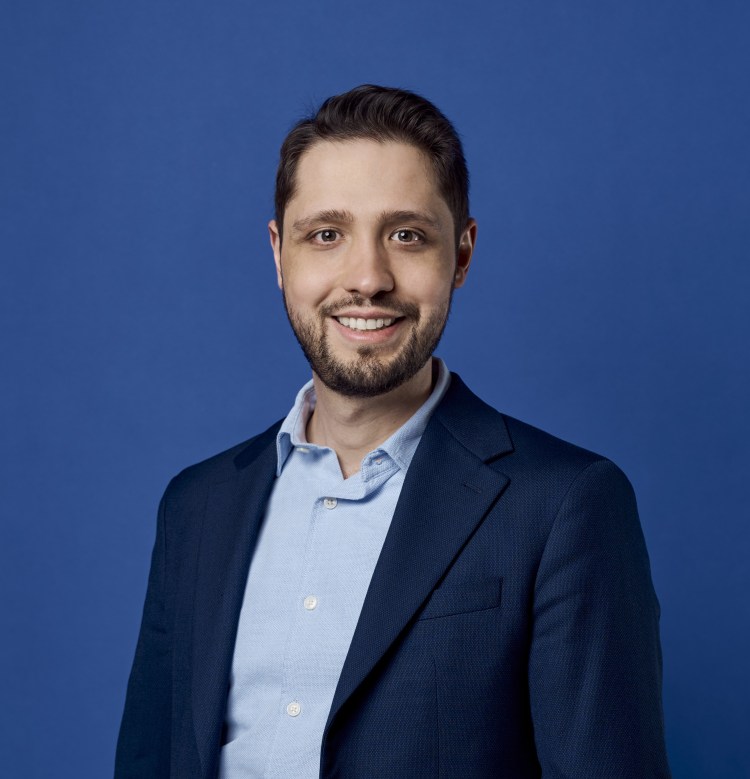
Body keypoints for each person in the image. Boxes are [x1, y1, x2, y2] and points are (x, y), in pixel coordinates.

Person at [115, 84, 671, 778]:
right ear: (279, 254)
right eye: (327, 235)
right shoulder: (195, 507)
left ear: (462, 255)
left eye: (406, 235)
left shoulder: (566, 504)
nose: (368, 278)